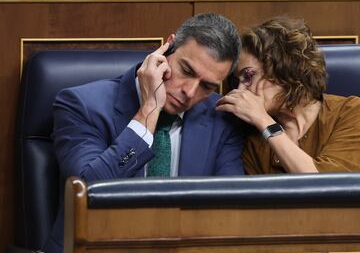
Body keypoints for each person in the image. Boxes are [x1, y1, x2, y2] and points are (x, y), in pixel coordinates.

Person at [44, 13, 244, 252]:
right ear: (166, 48)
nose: (189, 92)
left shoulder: (221, 120)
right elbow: (88, 194)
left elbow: (231, 209)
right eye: (187, 70)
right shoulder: (81, 105)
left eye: (207, 86)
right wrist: (149, 109)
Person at [216, 16, 360, 174]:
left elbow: (330, 190)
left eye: (249, 75)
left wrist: (265, 123)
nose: (240, 90)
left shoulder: (350, 111)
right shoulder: (250, 134)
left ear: (284, 68)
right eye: (237, 81)